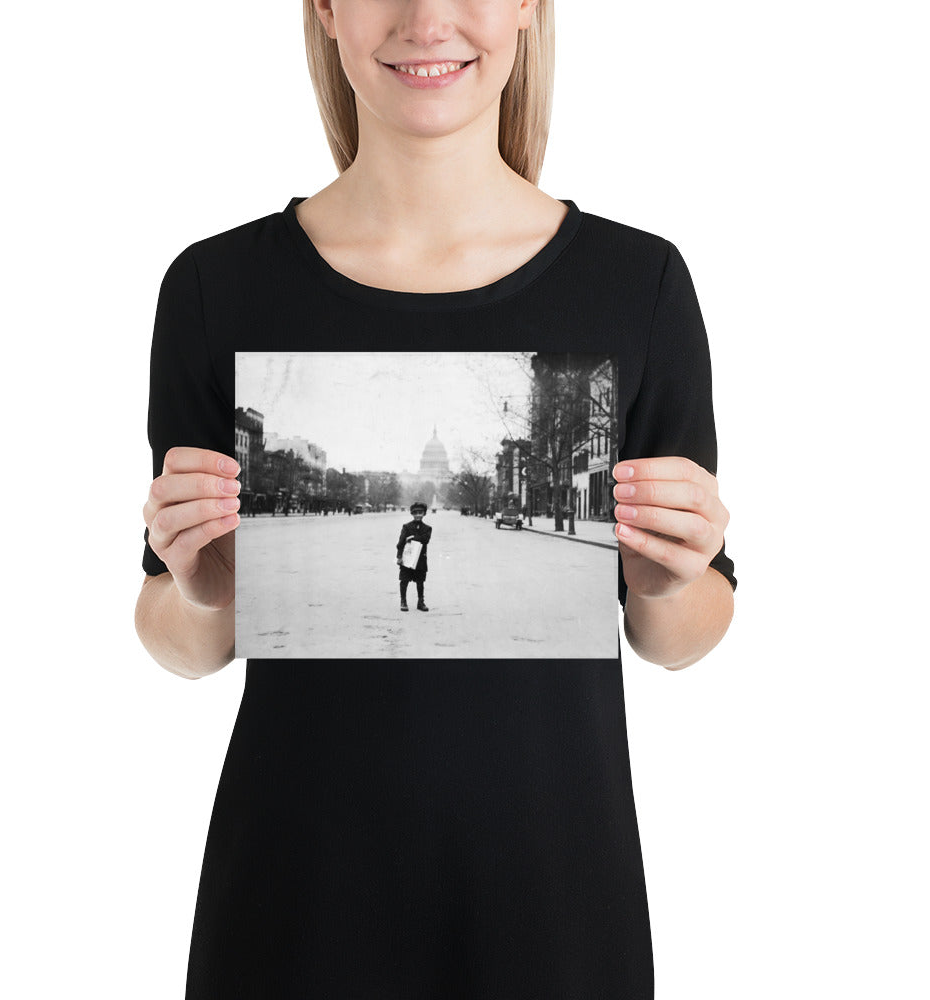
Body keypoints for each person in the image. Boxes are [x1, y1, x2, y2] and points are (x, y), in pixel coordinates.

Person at [135, 2, 736, 997]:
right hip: (294, 912)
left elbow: (684, 631)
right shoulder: (214, 287)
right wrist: (201, 584)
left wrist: (666, 571)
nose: (426, 16)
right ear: (325, 8)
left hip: (553, 912)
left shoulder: (639, 284)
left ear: (530, 8)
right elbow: (177, 637)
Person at [396, 500, 432, 611]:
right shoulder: (406, 527)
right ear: (412, 513)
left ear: (424, 514)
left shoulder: (427, 528)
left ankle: (420, 602)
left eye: (420, 513)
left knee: (420, 581)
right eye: (415, 513)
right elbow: (401, 543)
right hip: (407, 557)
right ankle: (403, 601)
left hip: (420, 559)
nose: (418, 515)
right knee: (404, 580)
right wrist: (399, 557)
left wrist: (411, 538)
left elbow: (425, 540)